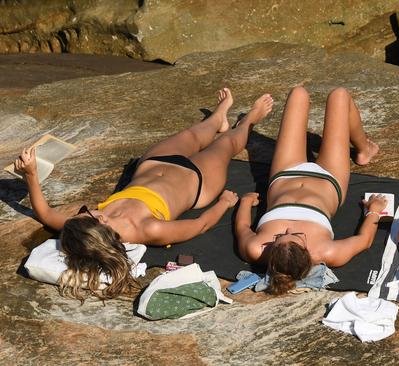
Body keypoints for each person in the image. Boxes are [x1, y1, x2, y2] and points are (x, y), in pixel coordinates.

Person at [13, 88, 274, 301]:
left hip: (153, 164)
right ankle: (248, 120)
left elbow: (45, 214)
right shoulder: (147, 230)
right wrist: (225, 203)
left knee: (191, 135)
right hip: (197, 182)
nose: (89, 210)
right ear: (103, 228)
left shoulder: (81, 228)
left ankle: (218, 118)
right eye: (92, 215)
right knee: (225, 144)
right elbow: (199, 224)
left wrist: (31, 175)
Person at [235, 86, 384, 295]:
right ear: (308, 251)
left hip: (286, 173)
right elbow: (364, 241)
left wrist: (244, 203)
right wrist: (375, 211)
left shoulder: (256, 249)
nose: (288, 229)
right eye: (296, 235)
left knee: (298, 94)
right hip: (329, 178)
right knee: (339, 96)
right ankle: (364, 150)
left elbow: (242, 227)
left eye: (279, 236)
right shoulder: (328, 251)